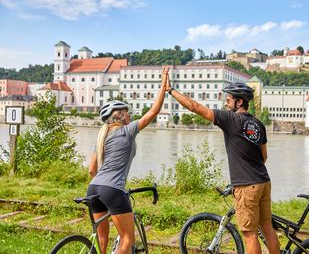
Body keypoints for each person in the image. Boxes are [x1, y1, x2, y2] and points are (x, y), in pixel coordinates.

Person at [166, 79, 280, 254]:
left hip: (246, 185)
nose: (226, 101)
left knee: (249, 235)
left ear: (239, 101)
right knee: (267, 227)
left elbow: (194, 107)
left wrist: (171, 90)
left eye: (229, 98)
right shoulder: (258, 124)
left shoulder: (230, 119)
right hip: (264, 181)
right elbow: (264, 156)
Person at [87, 67, 169, 254]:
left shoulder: (102, 137)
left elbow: (92, 169)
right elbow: (153, 112)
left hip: (93, 188)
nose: (130, 115)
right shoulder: (127, 130)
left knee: (101, 240)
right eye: (127, 112)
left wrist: (101, 187)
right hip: (113, 189)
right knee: (127, 239)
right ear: (120, 116)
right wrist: (163, 85)